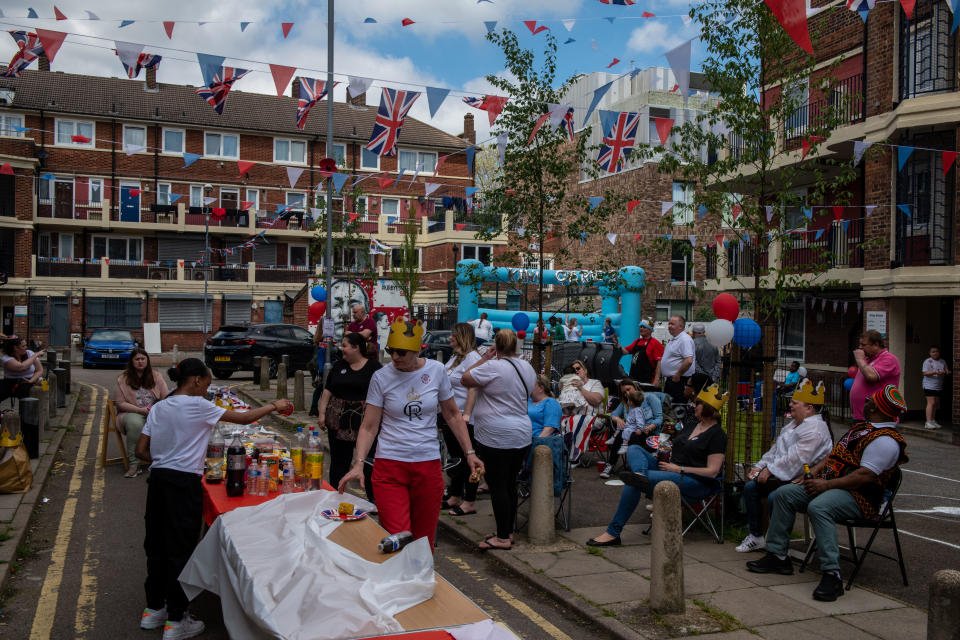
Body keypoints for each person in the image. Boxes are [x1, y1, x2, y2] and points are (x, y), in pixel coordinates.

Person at [134, 358, 292, 638]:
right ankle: (176, 619)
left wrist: (165, 458)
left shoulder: (159, 407)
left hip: (157, 482)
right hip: (183, 485)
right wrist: (274, 406)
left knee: (156, 546)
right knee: (180, 550)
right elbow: (244, 418)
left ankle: (154, 609)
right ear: (195, 380)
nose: (207, 389)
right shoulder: (198, 405)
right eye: (206, 383)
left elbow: (140, 450)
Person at [747, 385, 909, 602]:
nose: (866, 400)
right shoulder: (863, 428)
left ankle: (832, 574)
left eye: (871, 400)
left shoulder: (885, 441)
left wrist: (827, 486)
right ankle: (778, 556)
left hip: (859, 497)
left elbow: (864, 476)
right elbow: (834, 457)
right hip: (831, 485)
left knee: (819, 507)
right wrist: (814, 473)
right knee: (785, 494)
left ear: (876, 409)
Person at [337, 319, 482, 550]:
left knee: (423, 543)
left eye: (401, 352)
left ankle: (420, 585)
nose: (394, 357)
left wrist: (470, 452)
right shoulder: (381, 377)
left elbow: (453, 415)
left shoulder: (436, 371)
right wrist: (358, 463)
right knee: (399, 538)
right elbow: (369, 426)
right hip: (389, 467)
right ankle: (399, 582)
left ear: (416, 349)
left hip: (427, 466)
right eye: (390, 351)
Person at [587, 383, 728, 546]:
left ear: (708, 408)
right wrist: (665, 447)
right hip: (671, 469)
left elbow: (712, 471)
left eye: (698, 403)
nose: (694, 405)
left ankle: (613, 532)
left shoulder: (717, 434)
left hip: (695, 481)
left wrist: (679, 468)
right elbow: (675, 444)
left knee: (633, 483)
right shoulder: (692, 425)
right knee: (634, 449)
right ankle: (640, 475)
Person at [736, 379, 834, 553]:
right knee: (751, 488)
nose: (790, 405)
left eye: (795, 403)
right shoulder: (793, 425)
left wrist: (770, 470)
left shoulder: (815, 429)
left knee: (776, 496)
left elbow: (796, 460)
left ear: (809, 408)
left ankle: (778, 545)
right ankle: (757, 536)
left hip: (806, 480)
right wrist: (760, 466)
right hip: (788, 476)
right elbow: (775, 451)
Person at [461, 328, 536, 550]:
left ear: (497, 345)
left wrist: (485, 358)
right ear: (515, 345)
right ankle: (507, 531)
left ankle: (502, 538)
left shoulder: (492, 366)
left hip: (496, 435)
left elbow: (465, 379)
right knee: (510, 483)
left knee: (497, 485)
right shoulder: (527, 367)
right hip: (521, 432)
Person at [317, 332, 381, 501]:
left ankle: (374, 499)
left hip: (365, 423)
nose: (341, 349)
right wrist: (322, 413)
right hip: (338, 422)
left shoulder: (374, 368)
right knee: (339, 462)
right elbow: (327, 391)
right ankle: (335, 496)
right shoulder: (339, 366)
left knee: (368, 463)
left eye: (345, 345)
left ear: (356, 347)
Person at [442, 323, 482, 516]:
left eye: (453, 335)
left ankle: (470, 500)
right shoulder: (455, 357)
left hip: (466, 419)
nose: (450, 338)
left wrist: (466, 415)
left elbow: (474, 388)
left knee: (470, 459)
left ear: (462, 337)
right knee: (456, 459)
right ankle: (455, 495)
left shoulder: (473, 358)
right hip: (451, 416)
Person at [113, 348, 169, 478]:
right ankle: (134, 464)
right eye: (137, 359)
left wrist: (155, 409)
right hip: (131, 412)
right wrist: (140, 410)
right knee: (135, 424)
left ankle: (162, 461)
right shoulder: (123, 379)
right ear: (131, 362)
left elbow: (165, 397)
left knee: (170, 422)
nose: (140, 362)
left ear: (147, 361)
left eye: (143, 359)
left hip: (153, 412)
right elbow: (120, 403)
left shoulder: (156, 376)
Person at [600, 379, 667, 479]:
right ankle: (613, 465)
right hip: (632, 431)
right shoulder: (626, 402)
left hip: (649, 431)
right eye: (624, 392)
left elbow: (659, 418)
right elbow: (613, 414)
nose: (627, 393)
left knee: (628, 435)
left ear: (635, 387)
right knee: (623, 434)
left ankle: (633, 467)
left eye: (628, 389)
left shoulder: (649, 397)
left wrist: (649, 427)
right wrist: (617, 419)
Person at [849, 330, 900, 421]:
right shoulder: (868, 359)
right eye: (860, 344)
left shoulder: (889, 359)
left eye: (863, 345)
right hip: (860, 416)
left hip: (876, 418)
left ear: (876, 345)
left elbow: (871, 376)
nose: (860, 348)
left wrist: (860, 359)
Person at [614, 320, 663, 385]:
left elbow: (659, 363)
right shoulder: (637, 341)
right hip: (633, 379)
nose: (641, 328)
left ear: (650, 330)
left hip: (647, 380)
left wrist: (656, 380)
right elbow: (625, 352)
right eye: (640, 327)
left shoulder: (655, 343)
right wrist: (617, 344)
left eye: (644, 327)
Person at [660, 315, 696, 403]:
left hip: (679, 381)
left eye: (672, 324)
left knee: (677, 409)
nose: (669, 326)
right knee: (669, 408)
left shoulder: (684, 339)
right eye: (669, 324)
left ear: (681, 326)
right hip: (672, 381)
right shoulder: (674, 339)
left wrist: (678, 374)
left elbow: (689, 360)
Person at [0, 335, 45, 404]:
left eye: (26, 345)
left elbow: (40, 370)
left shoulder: (29, 353)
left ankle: (50, 406)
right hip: (12, 382)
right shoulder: (6, 359)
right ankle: (26, 412)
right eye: (23, 346)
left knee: (46, 387)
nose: (26, 348)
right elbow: (22, 367)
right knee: (24, 394)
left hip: (33, 378)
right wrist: (36, 355)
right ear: (15, 348)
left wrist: (31, 380)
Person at [921, 345, 950, 430]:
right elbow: (925, 373)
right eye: (933, 352)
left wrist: (946, 372)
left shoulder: (942, 361)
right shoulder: (928, 361)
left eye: (936, 351)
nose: (935, 353)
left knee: (936, 403)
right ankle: (928, 422)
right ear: (930, 353)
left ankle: (933, 421)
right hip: (929, 385)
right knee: (931, 402)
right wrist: (935, 372)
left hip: (938, 385)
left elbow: (945, 370)